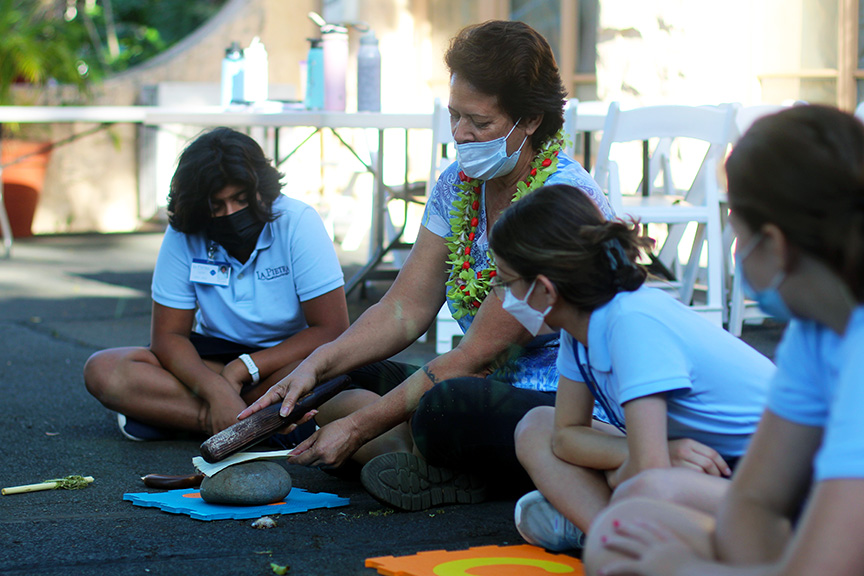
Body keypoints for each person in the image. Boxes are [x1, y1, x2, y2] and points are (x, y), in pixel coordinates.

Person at [239, 20, 613, 510]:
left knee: (443, 408)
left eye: (480, 123)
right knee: (341, 382)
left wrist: (358, 425)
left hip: (562, 404)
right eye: (455, 116)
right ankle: (435, 463)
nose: (460, 134)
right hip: (479, 380)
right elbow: (404, 309)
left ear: (531, 121)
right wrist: (314, 364)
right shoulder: (457, 184)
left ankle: (452, 460)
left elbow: (474, 355)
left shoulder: (560, 200)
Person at [584, 104, 864, 576]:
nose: (735, 249)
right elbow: (754, 498)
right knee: (622, 530)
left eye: (735, 228)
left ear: (773, 244)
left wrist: (680, 568)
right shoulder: (815, 330)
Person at [487, 183, 774, 552]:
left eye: (506, 283)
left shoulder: (632, 322)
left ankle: (617, 534)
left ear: (544, 288)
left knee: (643, 486)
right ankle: (614, 534)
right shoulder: (580, 330)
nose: (502, 295)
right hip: (700, 463)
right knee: (534, 427)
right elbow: (564, 435)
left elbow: (649, 470)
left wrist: (636, 460)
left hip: (774, 480)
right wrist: (647, 453)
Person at [83, 127, 361, 445]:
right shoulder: (185, 231)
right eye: (216, 206)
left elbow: (332, 329)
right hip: (211, 358)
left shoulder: (298, 222)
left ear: (262, 189)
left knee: (327, 370)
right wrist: (214, 389)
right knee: (103, 369)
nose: (230, 214)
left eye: (241, 199)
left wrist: (243, 369)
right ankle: (253, 422)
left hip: (284, 357)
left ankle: (177, 417)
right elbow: (168, 336)